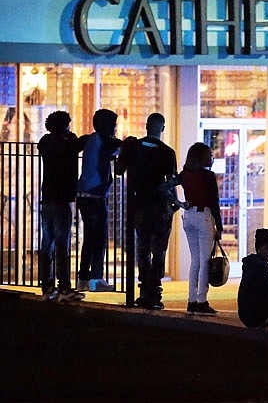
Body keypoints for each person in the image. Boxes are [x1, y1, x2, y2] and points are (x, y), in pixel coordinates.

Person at [115, 113, 177, 310]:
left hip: (139, 205)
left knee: (142, 248)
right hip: (160, 207)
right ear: (163, 128)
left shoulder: (134, 148)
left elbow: (118, 169)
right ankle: (154, 291)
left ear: (146, 126)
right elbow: (172, 180)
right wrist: (174, 202)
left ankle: (143, 290)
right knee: (159, 250)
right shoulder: (167, 152)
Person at [37, 111, 85, 302]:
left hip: (47, 197)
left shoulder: (46, 143)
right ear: (65, 126)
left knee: (46, 242)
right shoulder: (68, 143)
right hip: (63, 198)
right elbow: (78, 143)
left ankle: (47, 286)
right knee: (62, 244)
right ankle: (64, 287)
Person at [76, 109, 121, 292]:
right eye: (114, 125)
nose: (116, 128)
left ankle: (83, 278)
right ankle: (96, 279)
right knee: (100, 238)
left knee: (89, 238)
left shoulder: (89, 140)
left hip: (83, 194)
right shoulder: (107, 142)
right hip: (95, 195)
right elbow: (119, 149)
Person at [179, 142, 222, 316]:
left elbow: (167, 187)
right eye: (209, 154)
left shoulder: (184, 175)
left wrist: (179, 203)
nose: (212, 157)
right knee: (204, 261)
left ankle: (191, 300)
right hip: (203, 216)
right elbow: (214, 202)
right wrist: (219, 226)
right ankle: (201, 301)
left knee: (195, 260)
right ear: (201, 157)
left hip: (188, 216)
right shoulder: (208, 176)